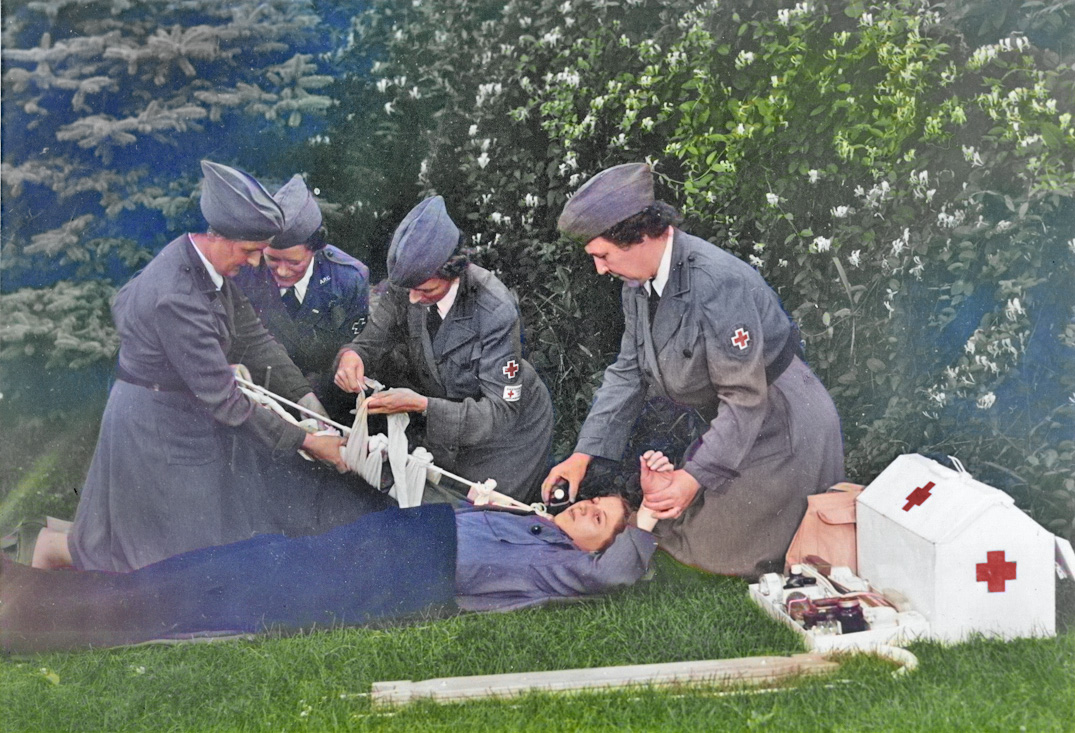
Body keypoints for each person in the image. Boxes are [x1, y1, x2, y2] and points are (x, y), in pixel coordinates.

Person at [65, 161, 387, 575]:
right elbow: (228, 403)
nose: (255, 264)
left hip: (183, 417)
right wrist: (309, 441)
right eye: (251, 252)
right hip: (153, 426)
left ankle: (59, 551)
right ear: (219, 235)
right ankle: (52, 552)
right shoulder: (178, 294)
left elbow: (255, 340)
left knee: (188, 547)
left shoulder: (202, 263)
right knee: (158, 560)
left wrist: (311, 407)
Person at [0, 454, 669, 654]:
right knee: (229, 563)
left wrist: (643, 516)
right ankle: (33, 591)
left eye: (599, 519)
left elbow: (619, 573)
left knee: (211, 593)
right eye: (591, 501)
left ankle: (26, 614)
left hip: (387, 577)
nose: (585, 508)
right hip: (372, 546)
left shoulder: (565, 568)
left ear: (603, 546)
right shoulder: (535, 526)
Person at [543, 163, 845, 579]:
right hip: (738, 421)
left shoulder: (716, 281)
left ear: (639, 236)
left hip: (783, 420)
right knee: (682, 527)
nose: (600, 269)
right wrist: (583, 455)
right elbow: (629, 371)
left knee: (715, 551)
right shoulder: (638, 281)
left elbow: (745, 397)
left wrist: (694, 477)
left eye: (603, 255)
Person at [334, 196, 554, 503]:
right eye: (409, 290)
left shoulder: (494, 308)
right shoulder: (409, 282)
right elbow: (372, 340)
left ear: (454, 272)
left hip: (509, 434)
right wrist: (352, 356)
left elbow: (501, 412)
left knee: (482, 516)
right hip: (450, 420)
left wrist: (423, 406)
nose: (412, 299)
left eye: (426, 290)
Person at [234, 175, 370, 423]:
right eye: (272, 259)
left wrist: (348, 358)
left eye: (294, 262)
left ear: (316, 250)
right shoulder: (243, 273)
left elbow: (356, 343)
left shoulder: (348, 278)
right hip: (261, 402)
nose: (282, 271)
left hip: (327, 404)